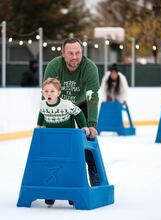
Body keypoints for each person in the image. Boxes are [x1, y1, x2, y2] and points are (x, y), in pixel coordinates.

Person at [43, 38, 100, 204]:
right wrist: (48, 120)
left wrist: (92, 124)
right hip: (59, 105)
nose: (74, 57)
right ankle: (52, 186)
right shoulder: (54, 66)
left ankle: (93, 173)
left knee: (86, 140)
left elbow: (92, 96)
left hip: (82, 104)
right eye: (70, 53)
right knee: (55, 144)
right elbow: (47, 95)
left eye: (78, 53)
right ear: (63, 53)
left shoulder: (89, 68)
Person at [37, 78, 90, 206]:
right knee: (52, 166)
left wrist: (83, 126)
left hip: (68, 140)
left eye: (52, 91)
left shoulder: (66, 104)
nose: (49, 93)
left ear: (59, 92)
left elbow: (79, 112)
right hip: (52, 142)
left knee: (69, 166)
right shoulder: (42, 104)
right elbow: (42, 114)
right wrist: (39, 125)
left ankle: (72, 193)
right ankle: (51, 194)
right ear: (42, 93)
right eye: (46, 91)